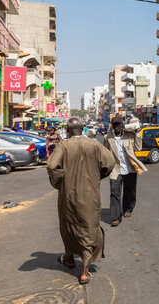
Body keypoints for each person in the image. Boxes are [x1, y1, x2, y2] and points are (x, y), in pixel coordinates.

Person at [46, 118, 116, 285]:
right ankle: (84, 270)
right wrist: (98, 176)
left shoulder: (63, 145)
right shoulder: (94, 145)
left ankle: (69, 258)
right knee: (88, 228)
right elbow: (110, 162)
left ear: (68, 131)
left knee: (68, 224)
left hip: (68, 194)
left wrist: (59, 183)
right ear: (82, 129)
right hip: (90, 194)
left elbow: (51, 166)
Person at [103, 115, 147, 227]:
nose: (116, 127)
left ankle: (128, 209)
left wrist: (137, 133)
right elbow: (105, 152)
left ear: (122, 125)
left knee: (130, 191)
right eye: (114, 125)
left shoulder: (130, 135)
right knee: (114, 194)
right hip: (115, 170)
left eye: (118, 124)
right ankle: (115, 217)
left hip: (130, 169)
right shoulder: (107, 137)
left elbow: (138, 148)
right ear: (112, 126)